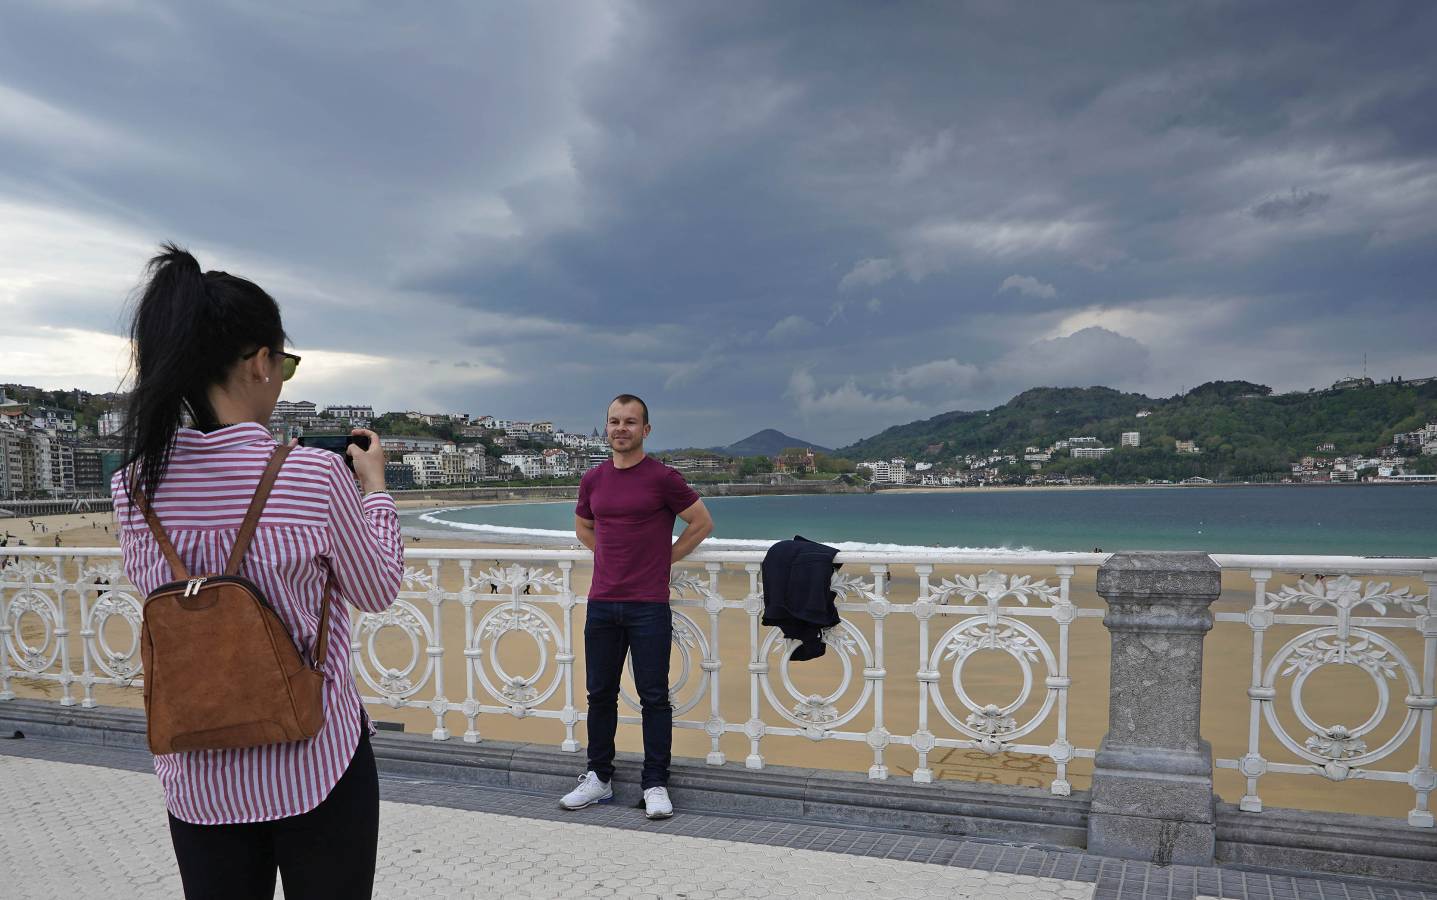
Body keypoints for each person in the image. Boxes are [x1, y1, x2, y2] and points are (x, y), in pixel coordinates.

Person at [110, 244, 404, 899]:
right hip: (315, 761)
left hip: (198, 772)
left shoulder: (133, 487)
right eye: (285, 363)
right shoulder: (313, 474)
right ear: (259, 363)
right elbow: (377, 588)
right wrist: (376, 492)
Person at [560, 394, 713, 820]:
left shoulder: (663, 478)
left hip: (648, 604)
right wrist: (610, 555)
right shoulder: (593, 480)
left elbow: (701, 522)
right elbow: (584, 525)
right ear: (606, 428)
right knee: (600, 695)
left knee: (654, 698)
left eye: (630, 422)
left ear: (646, 430)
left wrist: (663, 559)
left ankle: (655, 783)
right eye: (614, 421)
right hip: (603, 603)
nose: (621, 429)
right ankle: (598, 778)